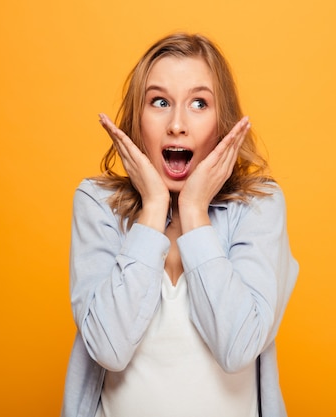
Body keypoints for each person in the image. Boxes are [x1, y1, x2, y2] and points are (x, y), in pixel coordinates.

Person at [61, 33, 299, 417]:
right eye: (159, 102)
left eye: (199, 103)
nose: (177, 125)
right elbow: (108, 347)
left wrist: (193, 210)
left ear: (222, 124)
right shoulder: (97, 204)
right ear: (137, 120)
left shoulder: (259, 207)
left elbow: (237, 348)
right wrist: (153, 208)